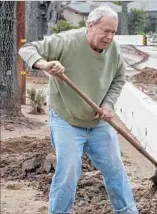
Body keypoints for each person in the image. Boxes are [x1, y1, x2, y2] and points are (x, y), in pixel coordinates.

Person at [19, 5, 139, 214]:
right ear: (90, 25)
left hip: (98, 122)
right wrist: (43, 64)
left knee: (115, 170)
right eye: (106, 31)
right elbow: (26, 48)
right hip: (67, 120)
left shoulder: (114, 50)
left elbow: (119, 79)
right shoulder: (67, 42)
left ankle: (128, 211)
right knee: (69, 172)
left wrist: (108, 105)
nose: (110, 37)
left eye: (113, 32)